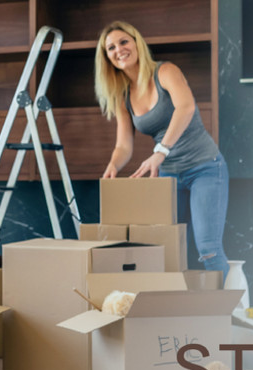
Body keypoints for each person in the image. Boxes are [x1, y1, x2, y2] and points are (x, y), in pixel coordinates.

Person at [94, 21, 229, 279]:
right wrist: (114, 164)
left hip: (206, 167)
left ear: (136, 43)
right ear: (107, 58)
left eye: (124, 42)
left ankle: (229, 311)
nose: (119, 49)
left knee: (208, 248)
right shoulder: (122, 95)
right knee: (169, 250)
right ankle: (178, 309)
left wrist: (161, 150)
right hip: (169, 176)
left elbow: (186, 108)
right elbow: (123, 145)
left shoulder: (165, 71)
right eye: (110, 47)